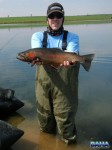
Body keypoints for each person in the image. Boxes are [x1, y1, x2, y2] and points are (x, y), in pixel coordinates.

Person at [31, 2, 80, 144]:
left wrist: (69, 61)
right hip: (43, 84)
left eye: (59, 16)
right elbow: (37, 53)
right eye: (52, 16)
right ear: (47, 19)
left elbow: (72, 55)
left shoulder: (72, 37)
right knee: (44, 120)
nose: (55, 19)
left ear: (63, 18)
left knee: (65, 122)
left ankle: (69, 144)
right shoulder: (38, 36)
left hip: (66, 86)